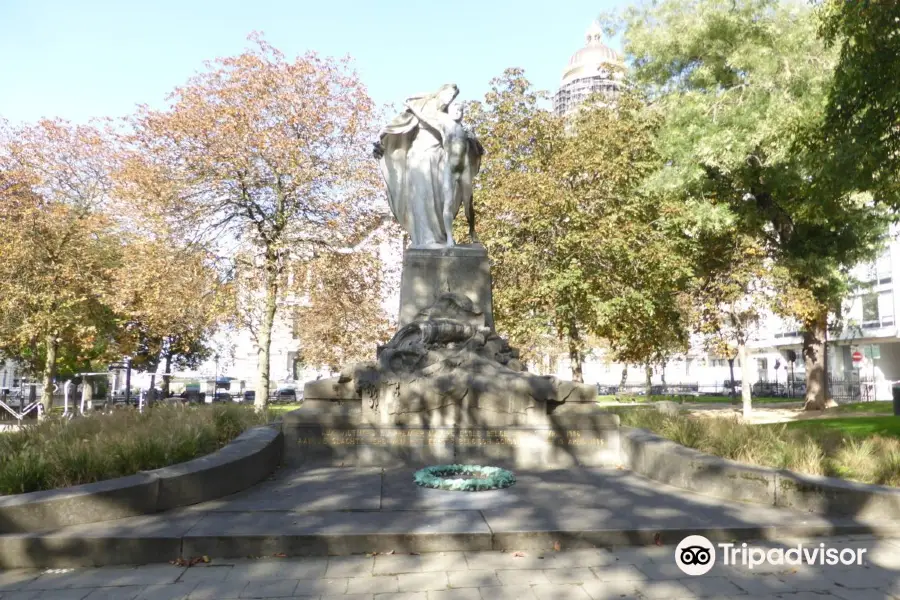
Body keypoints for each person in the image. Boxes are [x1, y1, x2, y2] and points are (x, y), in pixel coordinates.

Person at [402, 100, 482, 246]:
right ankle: (449, 238)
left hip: (463, 168)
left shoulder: (466, 131)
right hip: (450, 167)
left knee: (468, 202)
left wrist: (474, 143)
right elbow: (426, 117)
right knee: (448, 201)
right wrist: (413, 107)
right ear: (449, 112)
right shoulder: (445, 125)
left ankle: (472, 231)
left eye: (461, 110)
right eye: (455, 109)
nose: (458, 112)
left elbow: (479, 151)